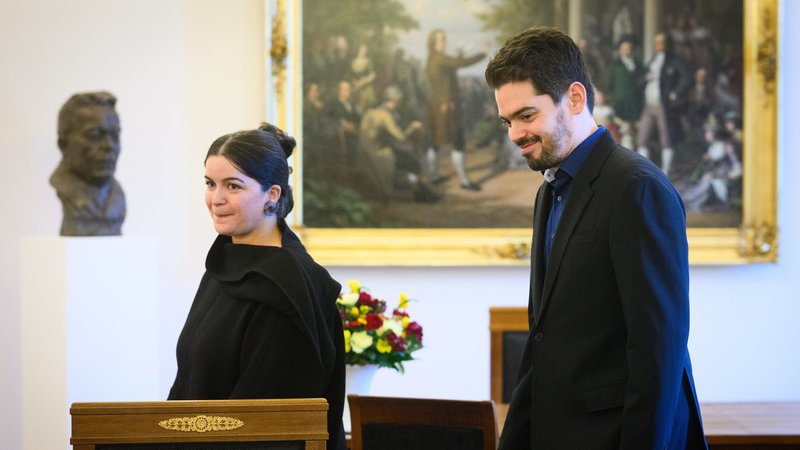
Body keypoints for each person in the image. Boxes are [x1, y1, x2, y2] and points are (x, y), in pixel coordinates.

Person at [485, 27, 707, 449]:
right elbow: (542, 339)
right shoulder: (550, 190)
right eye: (507, 121)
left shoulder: (638, 189)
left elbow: (657, 353)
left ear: (574, 98)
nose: (514, 134)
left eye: (527, 116)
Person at [168, 123, 346, 450]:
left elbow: (263, 424)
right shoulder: (224, 264)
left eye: (233, 186)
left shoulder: (287, 286)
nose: (215, 199)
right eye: (210, 183)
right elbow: (187, 382)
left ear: (272, 194)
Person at [50, 91, 125, 236]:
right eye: (94, 135)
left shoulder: (117, 196)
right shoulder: (65, 189)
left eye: (115, 136)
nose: (109, 146)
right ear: (64, 144)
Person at [425, 28, 485, 190]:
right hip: (447, 107)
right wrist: (482, 53)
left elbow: (450, 69)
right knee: (458, 141)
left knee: (435, 143)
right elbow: (459, 65)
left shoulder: (433, 58)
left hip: (436, 107)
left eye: (444, 38)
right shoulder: (440, 58)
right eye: (440, 39)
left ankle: (434, 176)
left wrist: (458, 59)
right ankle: (464, 181)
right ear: (434, 42)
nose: (444, 41)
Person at [360, 86, 439, 203]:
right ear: (394, 101)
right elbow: (400, 137)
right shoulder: (385, 115)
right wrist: (412, 127)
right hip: (380, 153)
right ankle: (420, 193)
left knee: (409, 160)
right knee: (411, 163)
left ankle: (421, 191)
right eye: (398, 101)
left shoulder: (372, 111)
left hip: (366, 151)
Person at [636, 32, 691, 176]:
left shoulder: (674, 60)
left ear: (667, 44)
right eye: (656, 43)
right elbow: (641, 80)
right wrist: (647, 77)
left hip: (663, 106)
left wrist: (675, 93)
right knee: (642, 138)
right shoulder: (653, 60)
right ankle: (646, 171)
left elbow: (687, 78)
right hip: (649, 105)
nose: (658, 45)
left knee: (666, 138)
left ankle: (665, 172)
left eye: (661, 42)